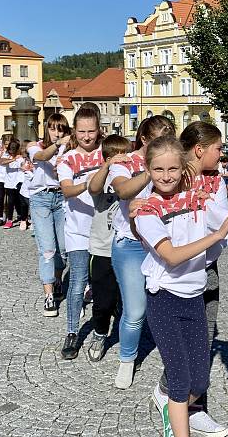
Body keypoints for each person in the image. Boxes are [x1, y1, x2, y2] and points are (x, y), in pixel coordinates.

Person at [134, 135, 228, 437]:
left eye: (172, 170)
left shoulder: (196, 199)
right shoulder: (146, 210)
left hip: (194, 297)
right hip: (163, 299)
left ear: (183, 169)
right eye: (158, 170)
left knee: (200, 382)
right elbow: (171, 256)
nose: (166, 177)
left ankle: (172, 407)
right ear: (148, 170)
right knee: (179, 381)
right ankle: (178, 423)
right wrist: (215, 235)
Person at [108, 115, 176, 388]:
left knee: (171, 306)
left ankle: (174, 358)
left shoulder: (173, 162)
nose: (163, 148)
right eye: (157, 143)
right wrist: (151, 171)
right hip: (131, 245)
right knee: (136, 310)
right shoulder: (126, 162)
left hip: (164, 242)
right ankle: (127, 359)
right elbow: (123, 191)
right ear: (144, 140)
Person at [57, 106, 104, 360]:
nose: (87, 137)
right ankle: (73, 332)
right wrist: (90, 182)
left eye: (92, 131)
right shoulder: (68, 158)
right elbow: (66, 190)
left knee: (105, 284)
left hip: (105, 230)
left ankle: (103, 329)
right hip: (77, 230)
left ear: (99, 131)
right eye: (82, 131)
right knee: (77, 283)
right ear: (75, 131)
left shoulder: (108, 154)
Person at [84, 134, 131, 362]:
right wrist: (107, 166)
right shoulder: (100, 178)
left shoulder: (130, 177)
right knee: (103, 302)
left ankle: (126, 336)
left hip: (127, 248)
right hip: (102, 249)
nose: (121, 160)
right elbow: (93, 188)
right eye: (116, 156)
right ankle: (100, 333)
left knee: (125, 300)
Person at [27, 114, 71, 318]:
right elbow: (43, 157)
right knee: (47, 249)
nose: (57, 133)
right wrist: (59, 145)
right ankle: (49, 295)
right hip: (41, 199)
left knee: (62, 249)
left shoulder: (68, 149)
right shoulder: (34, 146)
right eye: (53, 129)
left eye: (61, 129)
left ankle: (58, 279)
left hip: (62, 198)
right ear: (46, 129)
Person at [0, 139, 24, 230]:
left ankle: (22, 217)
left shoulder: (21, 157)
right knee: (10, 202)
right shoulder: (7, 155)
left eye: (13, 151)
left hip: (19, 182)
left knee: (19, 201)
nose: (11, 153)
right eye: (10, 151)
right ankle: (9, 220)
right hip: (9, 183)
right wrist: (13, 159)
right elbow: (1, 162)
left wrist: (20, 158)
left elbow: (23, 165)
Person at [0, 134, 13, 227]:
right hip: (0, 177)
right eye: (5, 144)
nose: (7, 146)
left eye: (9, 144)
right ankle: (0, 217)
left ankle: (10, 218)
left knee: (10, 199)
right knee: (0, 198)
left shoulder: (13, 150)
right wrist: (2, 152)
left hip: (10, 177)